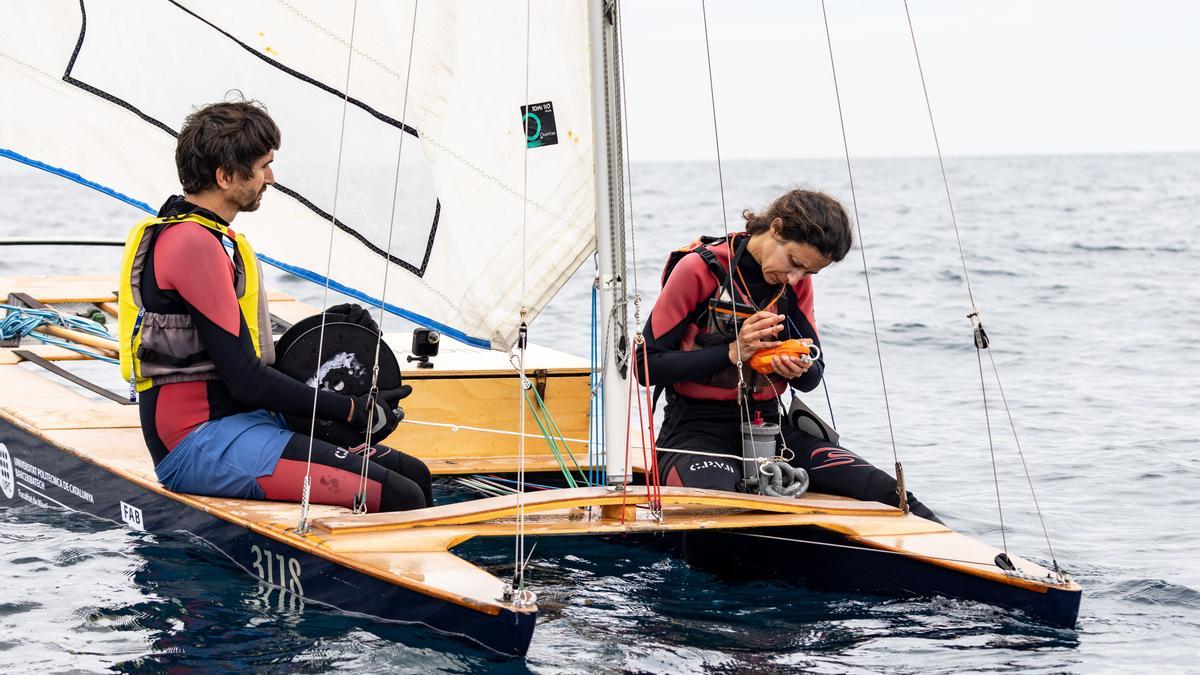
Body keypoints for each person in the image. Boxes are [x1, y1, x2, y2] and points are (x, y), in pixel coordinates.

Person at [117, 100, 431, 512]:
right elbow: (245, 379)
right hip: (198, 441)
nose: (271, 178)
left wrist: (323, 325)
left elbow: (233, 355)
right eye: (263, 166)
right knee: (397, 495)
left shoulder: (208, 237)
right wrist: (353, 410)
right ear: (226, 176)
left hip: (240, 422)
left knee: (416, 475)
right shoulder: (192, 243)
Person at [637, 188, 940, 522]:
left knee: (889, 494)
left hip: (771, 427)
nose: (796, 279)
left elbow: (814, 375)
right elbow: (645, 365)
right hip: (694, 430)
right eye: (794, 263)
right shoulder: (699, 270)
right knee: (728, 514)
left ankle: (989, 568)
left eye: (809, 273)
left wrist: (799, 368)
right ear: (776, 229)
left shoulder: (795, 284)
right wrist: (733, 352)